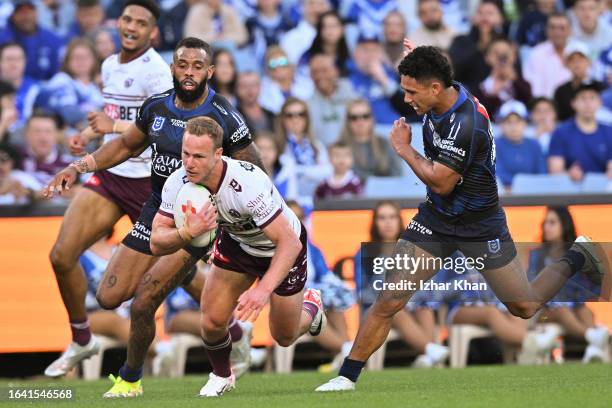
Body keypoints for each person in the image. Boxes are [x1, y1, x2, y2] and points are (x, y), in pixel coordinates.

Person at [316, 43, 609, 392]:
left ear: (434, 88)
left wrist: (405, 149)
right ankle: (347, 377)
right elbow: (437, 67)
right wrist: (418, 53)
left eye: (411, 91)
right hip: (436, 220)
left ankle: (579, 255)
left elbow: (441, 182)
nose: (407, 99)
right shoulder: (442, 89)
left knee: (524, 306)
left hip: (480, 225)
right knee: (390, 297)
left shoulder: (465, 122)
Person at [44, 37, 263, 397]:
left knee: (145, 299)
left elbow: (255, 168)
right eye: (183, 65)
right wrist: (79, 166)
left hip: (198, 220)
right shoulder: (156, 107)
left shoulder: (223, 113)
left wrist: (228, 216)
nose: (189, 72)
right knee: (109, 297)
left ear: (209, 72)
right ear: (173, 68)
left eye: (197, 66)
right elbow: (126, 145)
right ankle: (199, 290)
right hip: (157, 209)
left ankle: (130, 380)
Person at [41, 0, 173, 379]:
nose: (131, 26)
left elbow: (162, 128)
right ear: (119, 22)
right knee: (61, 256)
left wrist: (111, 128)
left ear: (153, 33)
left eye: (140, 22)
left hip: (149, 182)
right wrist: (87, 134)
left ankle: (231, 331)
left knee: (183, 272)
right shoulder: (110, 64)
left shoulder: (157, 73)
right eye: (127, 18)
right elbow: (115, 117)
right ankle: (83, 340)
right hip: (112, 175)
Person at [152, 116, 326, 397]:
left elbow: (289, 243)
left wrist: (262, 291)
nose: (189, 163)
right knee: (210, 320)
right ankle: (221, 375)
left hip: (281, 248)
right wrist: (186, 233)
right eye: (185, 154)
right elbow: (156, 242)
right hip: (238, 243)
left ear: (218, 154)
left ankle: (312, 305)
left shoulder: (247, 181)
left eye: (198, 156)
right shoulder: (178, 182)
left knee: (284, 336)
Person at [354, 200, 448, 369]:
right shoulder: (365, 252)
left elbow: (423, 284)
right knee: (393, 307)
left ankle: (428, 359)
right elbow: (363, 292)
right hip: (374, 309)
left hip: (408, 304)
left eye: (392, 217)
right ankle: (431, 350)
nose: (388, 223)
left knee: (424, 308)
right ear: (375, 223)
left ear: (399, 221)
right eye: (382, 218)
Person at [528, 206, 610, 363]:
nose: (547, 227)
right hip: (543, 314)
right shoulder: (537, 255)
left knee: (585, 310)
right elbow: (532, 287)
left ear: (564, 225)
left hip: (568, 307)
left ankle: (594, 350)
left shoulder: (574, 256)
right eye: (545, 222)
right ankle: (593, 338)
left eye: (552, 223)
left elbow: (583, 289)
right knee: (563, 310)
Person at [34, 38, 104, 130]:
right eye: (76, 57)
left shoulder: (97, 86)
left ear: (94, 60)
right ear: (67, 60)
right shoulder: (61, 79)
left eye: (86, 57)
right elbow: (70, 115)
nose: (81, 61)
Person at [548, 82, 612, 180]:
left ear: (600, 103)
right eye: (583, 98)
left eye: (592, 98)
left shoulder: (609, 131)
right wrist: (568, 175)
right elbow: (555, 170)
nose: (588, 103)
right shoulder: (561, 132)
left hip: (603, 190)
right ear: (573, 103)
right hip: (571, 190)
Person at [0, 0, 65, 81]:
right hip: (8, 86)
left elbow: (59, 74)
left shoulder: (52, 39)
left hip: (45, 89)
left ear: (36, 12)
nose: (26, 17)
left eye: (29, 11)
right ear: (13, 15)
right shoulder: (3, 38)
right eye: (21, 12)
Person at [339, 99, 401, 178]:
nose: (360, 121)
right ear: (347, 121)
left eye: (365, 116)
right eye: (354, 117)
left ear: (372, 118)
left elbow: (396, 174)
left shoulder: (385, 143)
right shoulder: (340, 147)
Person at [494, 100, 546, 190]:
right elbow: (497, 173)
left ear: (525, 123)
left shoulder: (534, 145)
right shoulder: (493, 145)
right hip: (504, 196)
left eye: (518, 121)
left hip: (534, 194)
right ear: (501, 124)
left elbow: (542, 173)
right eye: (508, 122)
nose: (513, 126)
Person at [307, 54, 357, 147]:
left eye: (324, 70)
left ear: (336, 71)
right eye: (315, 72)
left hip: (352, 151)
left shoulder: (352, 96)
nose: (320, 76)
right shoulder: (307, 104)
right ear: (310, 76)